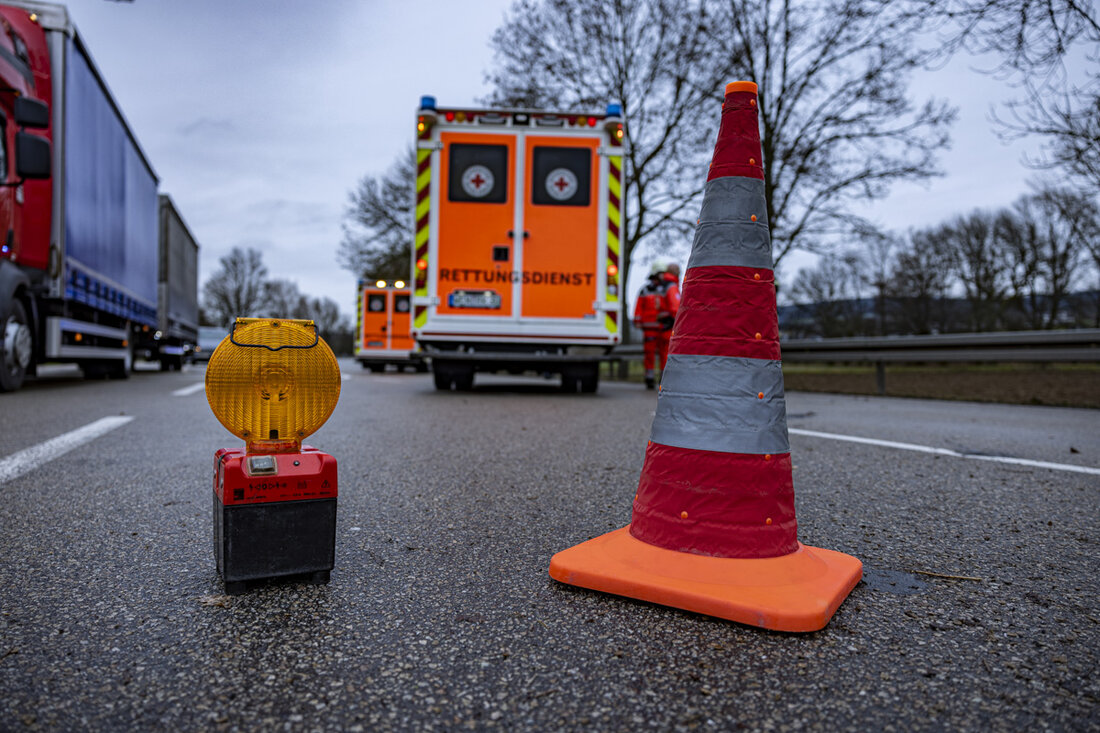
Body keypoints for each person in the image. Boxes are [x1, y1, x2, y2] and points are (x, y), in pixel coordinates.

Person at [633, 264, 671, 390]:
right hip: (649, 328)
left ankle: (662, 378)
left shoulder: (666, 289)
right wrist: (637, 321)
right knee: (649, 353)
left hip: (663, 327)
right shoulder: (645, 290)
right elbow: (639, 307)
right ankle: (649, 378)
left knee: (664, 353)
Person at [657, 263, 681, 368]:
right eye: (678, 269)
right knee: (669, 355)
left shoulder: (662, 285)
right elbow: (676, 308)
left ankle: (662, 376)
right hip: (670, 326)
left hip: (662, 326)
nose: (680, 272)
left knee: (663, 355)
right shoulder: (671, 286)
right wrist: (680, 325)